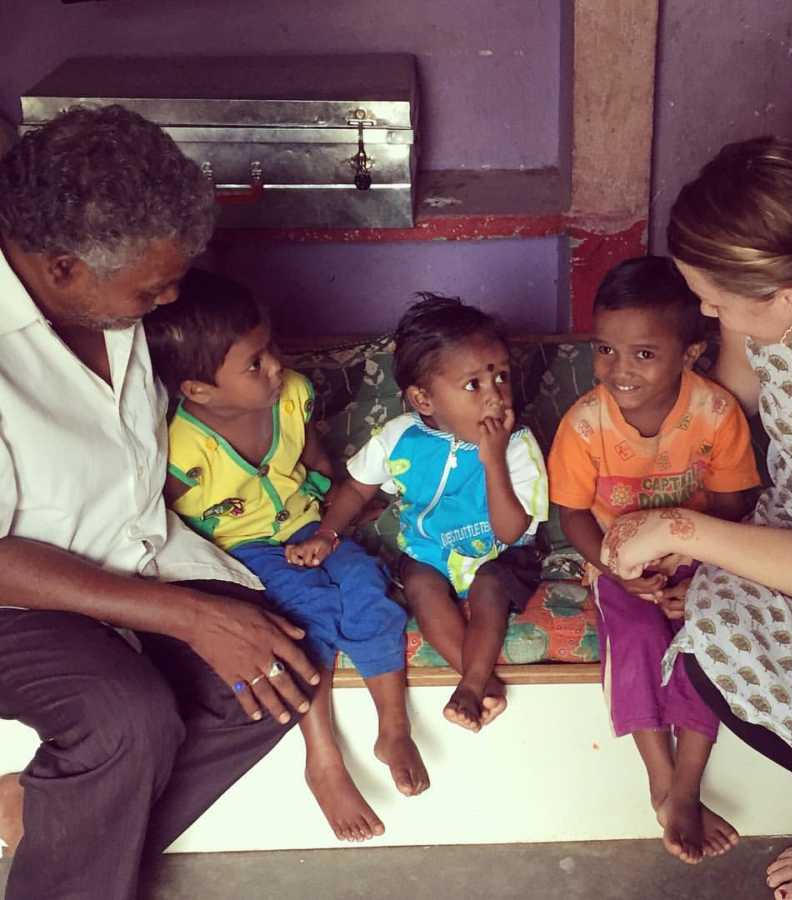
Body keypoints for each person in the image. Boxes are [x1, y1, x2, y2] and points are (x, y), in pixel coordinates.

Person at [0, 105, 322, 900]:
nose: (171, 297)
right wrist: (186, 617)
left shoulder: (107, 303)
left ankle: (53, 817)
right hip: (18, 600)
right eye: (153, 288)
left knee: (281, 664)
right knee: (124, 720)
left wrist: (196, 609)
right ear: (63, 267)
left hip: (137, 557)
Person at [599, 137, 792, 900]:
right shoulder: (772, 298)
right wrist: (651, 485)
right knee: (709, 642)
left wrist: (681, 531)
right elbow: (727, 405)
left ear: (789, 299)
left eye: (716, 302)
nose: (705, 313)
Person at [144, 268, 430, 842]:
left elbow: (315, 459)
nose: (275, 365)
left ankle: (393, 727)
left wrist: (336, 516)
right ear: (197, 389)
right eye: (254, 363)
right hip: (243, 550)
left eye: (270, 347)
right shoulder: (178, 448)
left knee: (370, 589)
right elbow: (161, 523)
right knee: (309, 619)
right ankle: (322, 758)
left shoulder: (292, 395)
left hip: (307, 525)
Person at [547, 256, 760, 863]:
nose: (619, 369)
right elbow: (574, 516)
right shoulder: (585, 424)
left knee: (705, 634)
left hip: (703, 555)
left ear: (691, 353)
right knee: (636, 634)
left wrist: (688, 567)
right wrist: (622, 573)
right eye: (605, 350)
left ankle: (686, 788)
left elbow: (731, 503)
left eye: (643, 354)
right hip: (619, 564)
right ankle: (661, 778)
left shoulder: (716, 414)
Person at [293, 294, 548, 732]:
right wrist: (327, 534)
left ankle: (470, 686)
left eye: (501, 376)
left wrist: (492, 461)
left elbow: (509, 532)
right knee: (420, 585)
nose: (496, 396)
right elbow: (356, 488)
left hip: (502, 553)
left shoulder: (517, 444)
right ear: (424, 400)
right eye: (474, 385)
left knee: (490, 585)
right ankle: (485, 684)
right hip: (430, 552)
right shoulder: (400, 437)